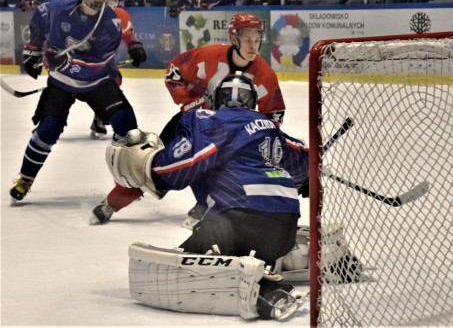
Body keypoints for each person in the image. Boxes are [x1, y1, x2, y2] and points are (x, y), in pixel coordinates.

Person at [105, 73, 309, 320]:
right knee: (240, 240)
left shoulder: (209, 119)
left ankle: (266, 291)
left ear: (216, 100)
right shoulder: (270, 128)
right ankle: (275, 261)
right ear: (254, 102)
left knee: (183, 269)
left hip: (237, 223)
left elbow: (184, 165)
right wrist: (309, 178)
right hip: (285, 226)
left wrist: (153, 165)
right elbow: (303, 159)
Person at [91, 12, 286, 227]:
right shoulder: (208, 55)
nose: (253, 46)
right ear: (234, 38)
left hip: (228, 135)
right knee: (155, 164)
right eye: (247, 39)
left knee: (217, 168)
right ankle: (113, 202)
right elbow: (174, 72)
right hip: (189, 122)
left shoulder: (265, 75)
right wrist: (186, 100)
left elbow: (274, 115)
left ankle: (207, 205)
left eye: (257, 40)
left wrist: (253, 136)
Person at [9, 0, 139, 204]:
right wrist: (32, 49)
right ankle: (25, 178)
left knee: (126, 124)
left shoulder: (111, 22)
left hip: (97, 82)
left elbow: (98, 64)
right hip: (62, 83)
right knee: (47, 130)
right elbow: (40, 16)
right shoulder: (58, 7)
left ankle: (123, 184)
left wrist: (69, 62)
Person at [89, 0, 146, 139]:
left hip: (104, 63)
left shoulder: (120, 15)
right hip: (80, 62)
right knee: (67, 91)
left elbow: (129, 38)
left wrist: (134, 47)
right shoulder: (86, 14)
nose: (110, 3)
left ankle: (99, 118)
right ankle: (50, 120)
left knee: (114, 81)